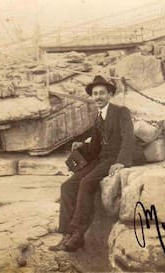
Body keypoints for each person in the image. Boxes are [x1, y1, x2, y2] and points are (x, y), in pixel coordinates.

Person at [49, 75, 135, 252]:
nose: (98, 97)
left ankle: (78, 233)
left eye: (102, 93)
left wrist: (121, 162)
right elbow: (95, 147)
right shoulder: (98, 118)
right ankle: (66, 234)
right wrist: (81, 148)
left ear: (110, 94)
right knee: (67, 186)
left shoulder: (121, 112)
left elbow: (128, 138)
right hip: (100, 160)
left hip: (113, 159)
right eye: (95, 94)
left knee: (87, 183)